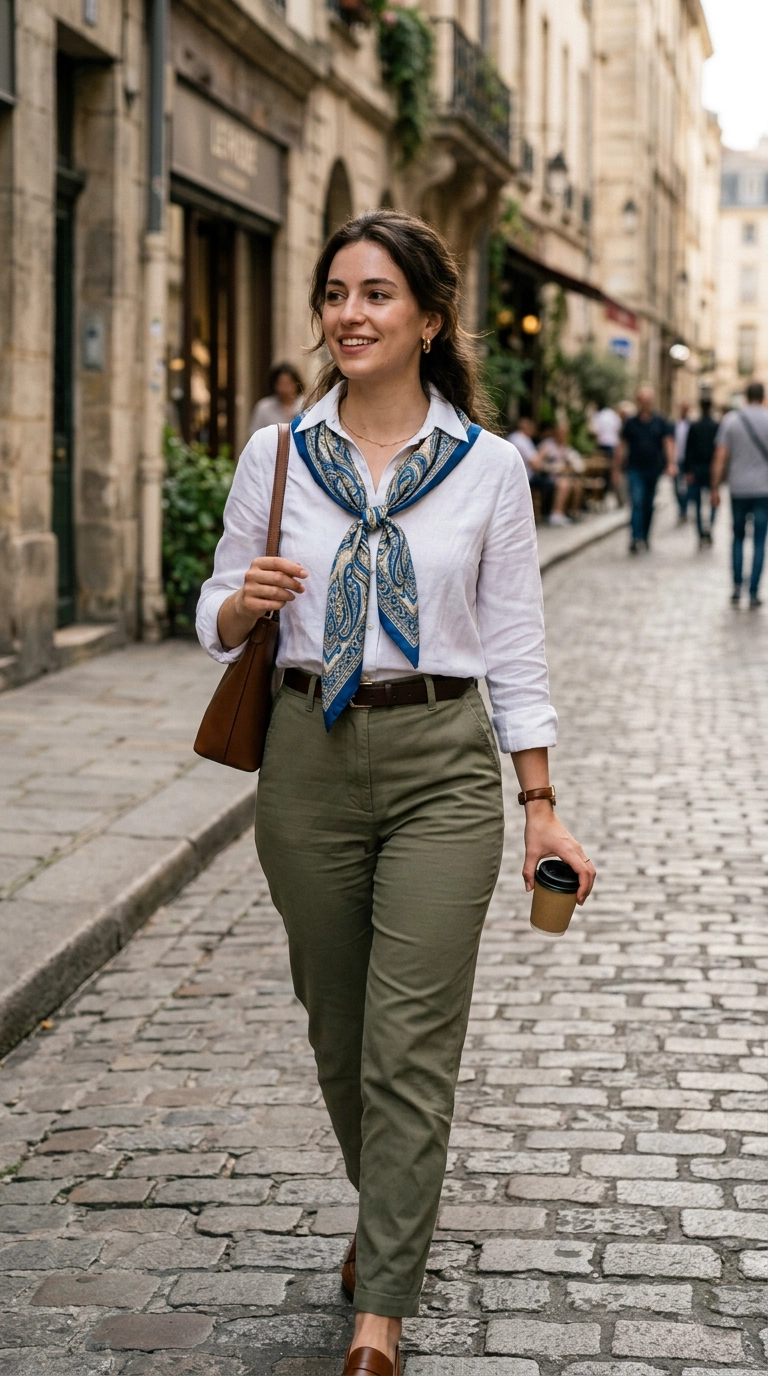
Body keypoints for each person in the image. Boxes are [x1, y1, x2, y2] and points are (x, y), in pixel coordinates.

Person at [197, 209, 595, 1376]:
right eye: (334, 293)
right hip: (308, 758)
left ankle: (383, 1308)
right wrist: (246, 602)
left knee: (410, 1043)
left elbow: (515, 646)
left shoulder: (489, 469)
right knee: (341, 1034)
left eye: (376, 294)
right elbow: (213, 614)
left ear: (427, 318)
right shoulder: (277, 456)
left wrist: (541, 803)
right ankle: (389, 1221)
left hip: (441, 765)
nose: (349, 314)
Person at [711, 380, 768, 608]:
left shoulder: (731, 421)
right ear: (763, 397)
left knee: (737, 538)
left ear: (745, 397)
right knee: (760, 541)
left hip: (738, 489)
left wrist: (715, 487)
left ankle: (736, 587)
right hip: (764, 490)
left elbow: (720, 457)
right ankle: (753, 591)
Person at [615, 385, 675, 553]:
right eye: (642, 399)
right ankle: (635, 537)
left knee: (648, 504)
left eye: (648, 400)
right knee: (637, 501)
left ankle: (645, 536)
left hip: (653, 469)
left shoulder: (660, 421)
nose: (645, 403)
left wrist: (671, 463)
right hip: (634, 468)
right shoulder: (630, 423)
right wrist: (617, 469)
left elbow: (668, 443)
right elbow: (621, 446)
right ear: (638, 401)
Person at [508, 416, 571, 523]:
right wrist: (544, 454)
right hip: (527, 477)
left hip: (513, 476)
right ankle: (556, 514)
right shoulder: (522, 440)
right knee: (563, 483)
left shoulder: (512, 437)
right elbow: (535, 464)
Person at [683, 398, 718, 548]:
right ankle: (709, 526)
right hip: (711, 468)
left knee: (696, 503)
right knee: (713, 500)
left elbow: (688, 449)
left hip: (697, 467)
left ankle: (700, 532)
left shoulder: (694, 426)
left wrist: (688, 470)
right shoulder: (716, 426)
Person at [537, 421, 585, 525]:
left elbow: (579, 465)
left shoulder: (567, 448)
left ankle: (573, 513)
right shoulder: (547, 446)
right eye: (560, 433)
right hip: (547, 476)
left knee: (577, 484)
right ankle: (556, 514)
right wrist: (552, 468)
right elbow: (538, 464)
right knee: (564, 484)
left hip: (562, 476)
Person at [249, 362, 305, 434]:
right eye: (281, 383)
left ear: (296, 384)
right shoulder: (264, 407)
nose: (284, 388)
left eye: (288, 383)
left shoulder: (305, 405)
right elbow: (254, 433)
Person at [674, 402, 692, 522]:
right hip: (677, 459)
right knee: (676, 487)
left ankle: (684, 509)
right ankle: (681, 508)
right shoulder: (675, 425)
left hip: (688, 460)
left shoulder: (692, 425)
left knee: (687, 487)